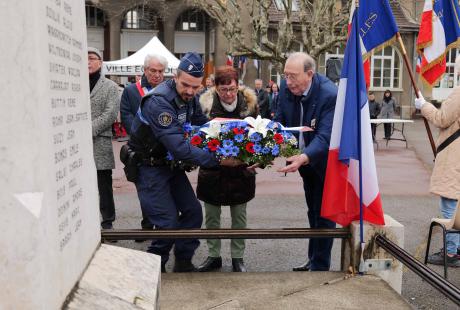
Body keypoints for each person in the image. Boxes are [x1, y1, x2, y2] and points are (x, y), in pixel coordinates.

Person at [127, 52, 239, 273]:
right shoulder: (158, 102)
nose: (190, 91)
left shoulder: (190, 99)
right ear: (175, 77)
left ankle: (183, 261)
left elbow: (203, 126)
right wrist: (219, 159)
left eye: (195, 87)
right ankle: (154, 264)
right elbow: (179, 147)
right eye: (185, 85)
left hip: (170, 166)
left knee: (192, 212)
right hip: (149, 166)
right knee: (167, 222)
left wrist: (236, 140)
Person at [275, 52, 337, 271]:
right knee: (312, 211)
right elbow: (279, 124)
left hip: (325, 164)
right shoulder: (286, 88)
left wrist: (303, 157)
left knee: (325, 215)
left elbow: (325, 137)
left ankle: (320, 267)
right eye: (285, 76)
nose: (288, 81)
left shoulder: (329, 94)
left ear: (310, 74)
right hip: (304, 163)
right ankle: (313, 258)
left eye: (293, 76)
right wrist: (262, 153)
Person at [196, 66, 258, 273]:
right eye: (224, 90)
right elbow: (197, 140)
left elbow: (260, 135)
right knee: (212, 216)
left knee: (239, 217)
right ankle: (214, 255)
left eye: (232, 89)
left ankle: (237, 258)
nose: (229, 94)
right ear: (215, 88)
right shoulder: (205, 107)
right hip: (213, 171)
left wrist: (253, 158)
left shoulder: (250, 106)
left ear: (238, 86)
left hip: (241, 171)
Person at [414, 63, 460, 267]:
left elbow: (442, 119)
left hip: (455, 157)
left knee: (450, 204)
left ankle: (451, 253)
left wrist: (423, 105)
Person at [120, 54, 167, 234]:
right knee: (145, 189)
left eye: (160, 71)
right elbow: (126, 115)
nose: (156, 74)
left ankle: (163, 225)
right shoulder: (131, 91)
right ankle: (147, 226)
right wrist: (141, 136)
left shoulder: (168, 90)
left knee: (163, 188)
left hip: (162, 147)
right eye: (153, 70)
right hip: (140, 149)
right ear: (145, 70)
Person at [87, 47, 120, 230]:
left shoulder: (110, 87)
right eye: (84, 58)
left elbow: (110, 114)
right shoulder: (74, 83)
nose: (88, 62)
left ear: (100, 62)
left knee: (104, 185)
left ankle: (108, 221)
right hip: (77, 144)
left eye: (92, 58)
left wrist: (86, 129)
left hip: (100, 142)